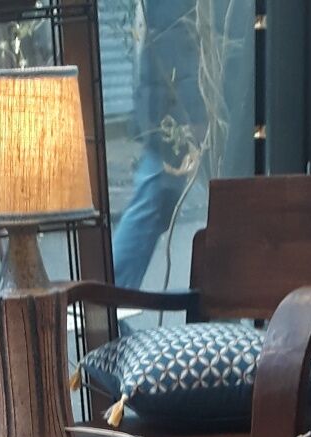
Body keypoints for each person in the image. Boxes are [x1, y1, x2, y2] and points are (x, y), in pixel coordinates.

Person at [111, 0, 204, 291]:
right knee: (153, 197)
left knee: (155, 199)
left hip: (167, 109)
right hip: (173, 113)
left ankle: (111, 297)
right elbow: (175, 44)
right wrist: (193, 113)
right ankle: (110, 297)